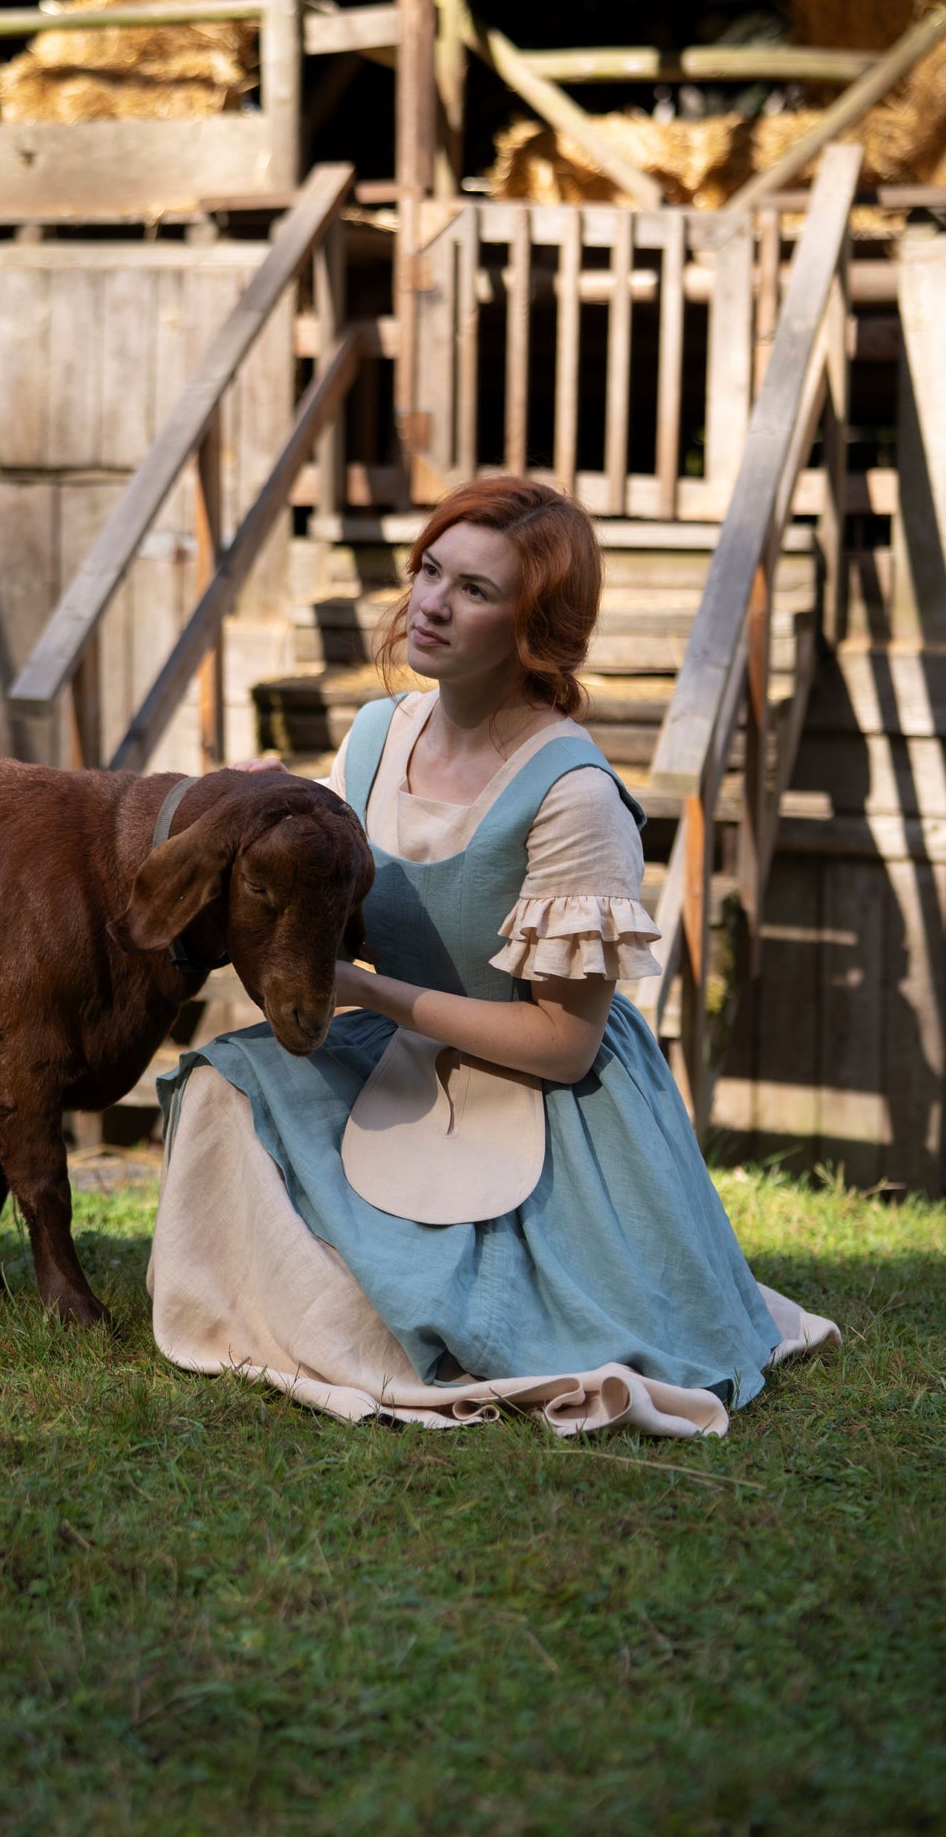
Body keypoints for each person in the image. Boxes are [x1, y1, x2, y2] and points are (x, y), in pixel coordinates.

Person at [150, 477, 838, 1438]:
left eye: (474, 590)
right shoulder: (375, 735)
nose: (429, 602)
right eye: (431, 570)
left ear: (535, 629)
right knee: (227, 1084)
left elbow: (561, 1042)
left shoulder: (574, 797)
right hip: (397, 1050)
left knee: (505, 1314)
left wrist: (360, 990)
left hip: (547, 1095)